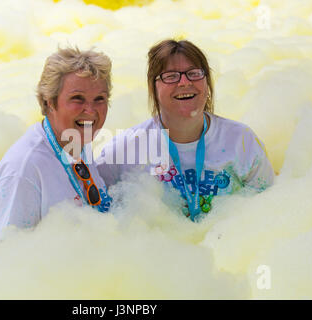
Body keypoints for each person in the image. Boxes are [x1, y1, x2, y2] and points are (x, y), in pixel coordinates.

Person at [96, 39, 274, 221]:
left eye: (194, 73)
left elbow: (272, 210)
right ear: (153, 87)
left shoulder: (241, 141)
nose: (184, 82)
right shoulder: (125, 148)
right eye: (171, 76)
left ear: (207, 83)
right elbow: (93, 214)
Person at [0, 47, 113, 240]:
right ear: (49, 102)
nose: (90, 110)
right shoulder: (24, 169)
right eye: (77, 99)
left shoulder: (75, 141)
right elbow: (7, 258)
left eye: (99, 99)